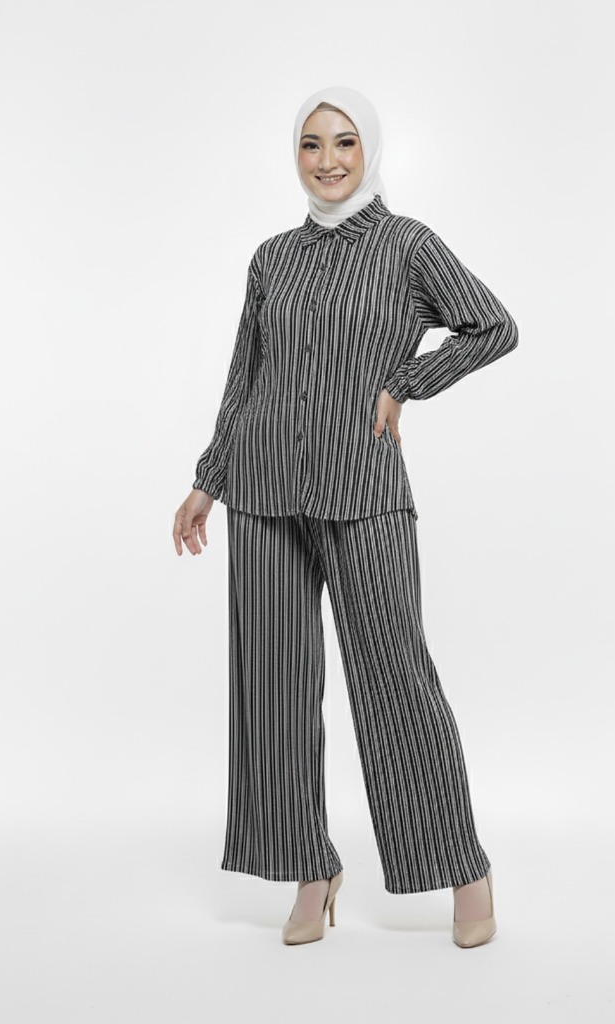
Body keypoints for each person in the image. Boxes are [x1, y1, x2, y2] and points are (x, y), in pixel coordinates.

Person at [173, 85, 518, 947]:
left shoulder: (408, 246)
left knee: (396, 679)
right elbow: (246, 376)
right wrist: (208, 480)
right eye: (311, 144)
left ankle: (464, 867)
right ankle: (309, 868)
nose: (327, 161)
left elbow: (492, 326)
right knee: (274, 689)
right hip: (262, 491)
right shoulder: (272, 259)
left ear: (370, 151)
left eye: (345, 143)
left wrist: (408, 382)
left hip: (364, 491)